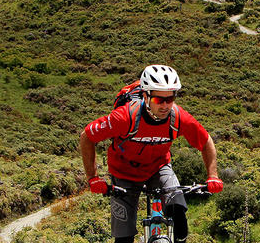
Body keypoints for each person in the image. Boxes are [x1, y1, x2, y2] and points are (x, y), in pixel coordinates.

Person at [80, 64, 223, 243]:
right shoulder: (124, 117)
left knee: (178, 213)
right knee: (124, 238)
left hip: (159, 166)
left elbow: (206, 141)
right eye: (158, 100)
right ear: (146, 96)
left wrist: (213, 176)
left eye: (169, 99)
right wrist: (93, 177)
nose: (164, 106)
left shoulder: (178, 117)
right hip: (124, 173)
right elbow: (87, 136)